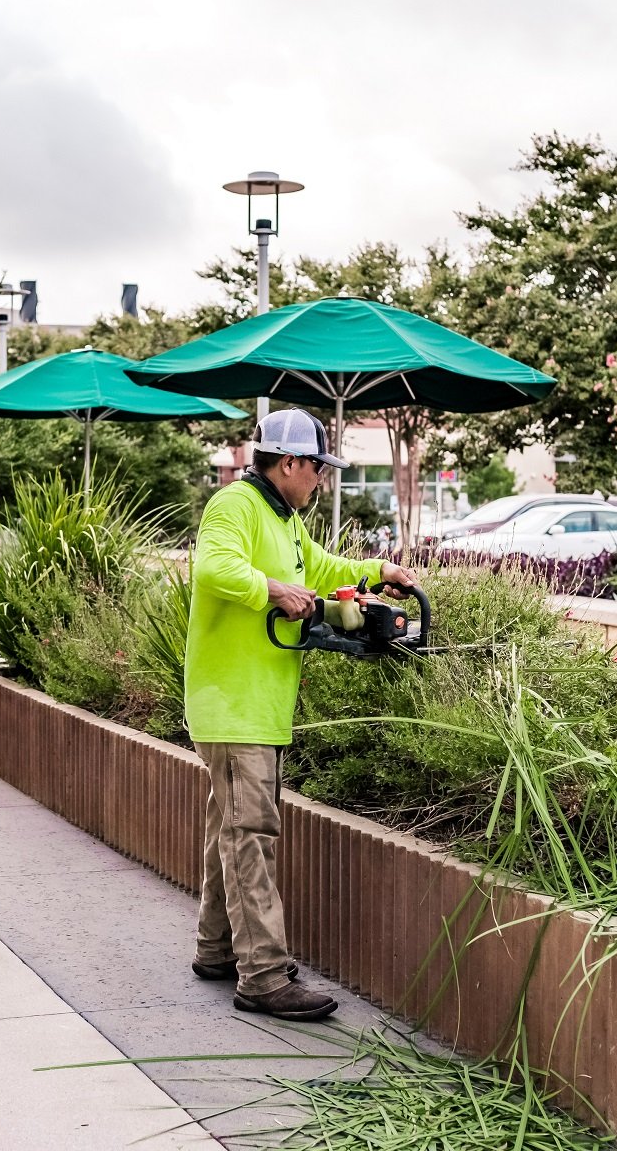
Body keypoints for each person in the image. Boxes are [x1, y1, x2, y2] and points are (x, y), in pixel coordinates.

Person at [184, 408, 418, 1021]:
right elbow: (213, 567)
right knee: (252, 834)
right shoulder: (235, 505)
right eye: (318, 468)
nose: (322, 480)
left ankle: (215, 950)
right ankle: (262, 976)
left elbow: (320, 569)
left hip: (254, 704)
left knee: (230, 827)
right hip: (233, 704)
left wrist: (378, 572)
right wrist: (273, 590)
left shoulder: (283, 520)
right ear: (288, 462)